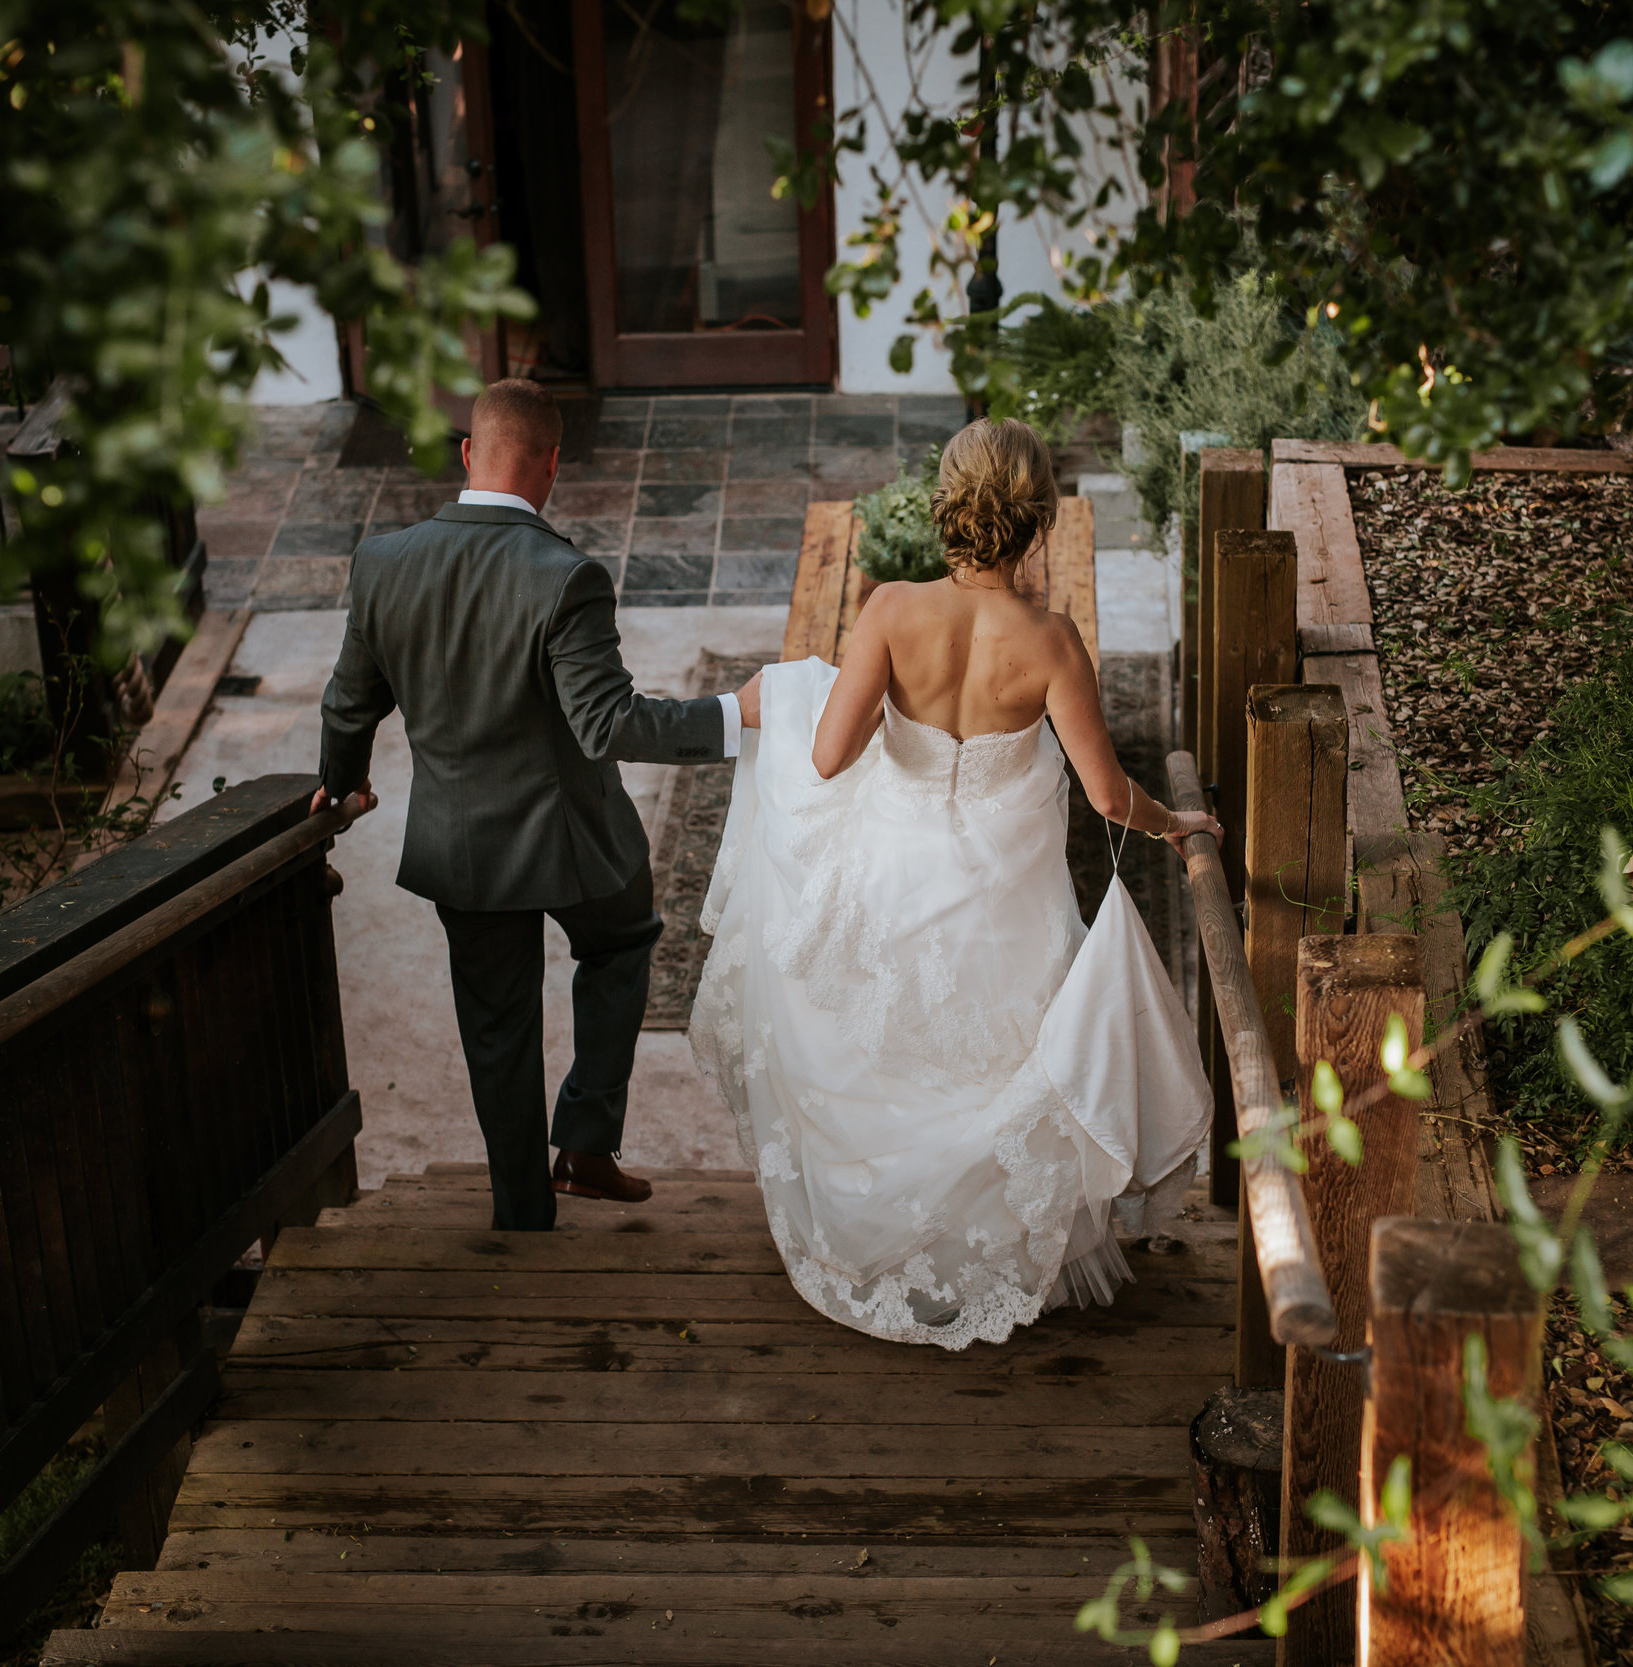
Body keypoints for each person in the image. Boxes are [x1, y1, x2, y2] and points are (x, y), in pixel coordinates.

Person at [690, 417, 1219, 1348]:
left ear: (947, 501)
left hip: (896, 866)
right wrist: (1178, 825)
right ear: (1037, 521)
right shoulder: (1051, 642)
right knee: (1003, 1057)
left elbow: (825, 758)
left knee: (886, 1059)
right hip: (1003, 888)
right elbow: (1105, 791)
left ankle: (888, 1248)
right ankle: (1004, 1256)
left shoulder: (892, 611)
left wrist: (824, 689)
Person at [314, 378, 758, 1232]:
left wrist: (340, 785)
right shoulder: (567, 576)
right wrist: (731, 713)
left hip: (459, 847)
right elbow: (608, 723)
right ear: (552, 465)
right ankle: (587, 1140)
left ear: (469, 454)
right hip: (576, 840)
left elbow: (347, 703)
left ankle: (521, 1214)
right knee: (623, 942)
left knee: (496, 1026)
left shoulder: (381, 562)